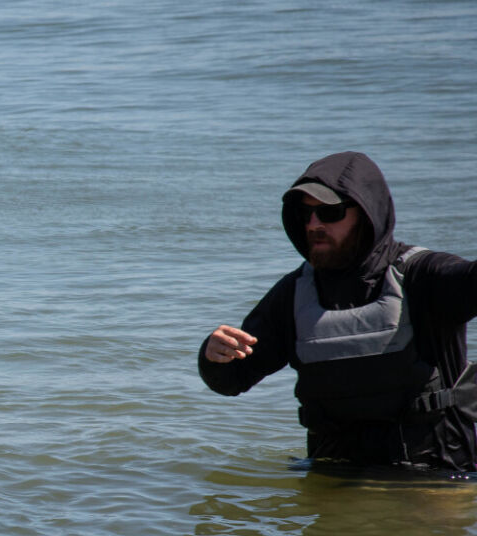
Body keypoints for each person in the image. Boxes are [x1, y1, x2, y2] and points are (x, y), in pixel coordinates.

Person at [199, 151, 477, 473]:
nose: (314, 224)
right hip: (333, 486)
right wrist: (214, 356)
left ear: (366, 213)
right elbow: (231, 380)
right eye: (305, 214)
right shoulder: (293, 295)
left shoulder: (424, 276)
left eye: (329, 212)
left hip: (432, 483)